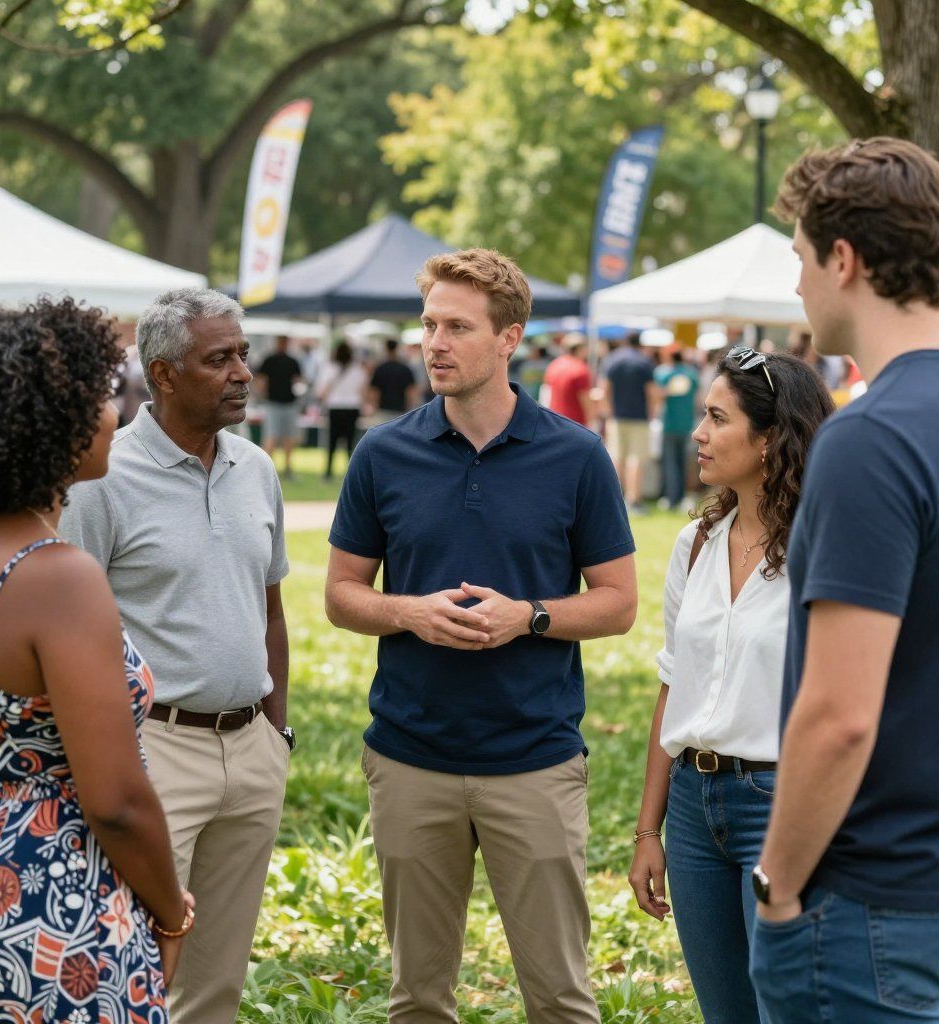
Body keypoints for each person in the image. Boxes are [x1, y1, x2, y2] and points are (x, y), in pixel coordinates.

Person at [325, 248, 638, 1024]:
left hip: (533, 759)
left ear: (509, 339)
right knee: (417, 1001)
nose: (434, 342)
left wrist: (526, 616)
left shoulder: (576, 455)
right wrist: (409, 612)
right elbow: (339, 594)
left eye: (457, 327)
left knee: (561, 999)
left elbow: (618, 603)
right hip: (409, 757)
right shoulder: (382, 452)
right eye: (428, 324)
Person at [0, 299, 190, 1024]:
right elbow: (116, 802)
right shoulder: (58, 575)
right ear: (50, 418)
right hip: (52, 906)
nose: (116, 411)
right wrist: (171, 911)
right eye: (102, 395)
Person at [60, 287, 292, 1024]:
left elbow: (271, 607)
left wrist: (275, 735)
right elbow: (70, 631)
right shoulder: (102, 480)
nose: (241, 373)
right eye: (217, 359)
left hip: (250, 750)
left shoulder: (256, 468)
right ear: (162, 374)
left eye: (242, 355)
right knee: (134, 965)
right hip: (152, 751)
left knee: (217, 980)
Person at [747, 138, 939, 1023]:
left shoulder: (871, 440)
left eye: (798, 259)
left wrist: (777, 887)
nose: (796, 287)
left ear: (844, 260)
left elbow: (838, 716)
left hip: (873, 912)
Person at [628, 348, 833, 1024]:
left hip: (780, 801)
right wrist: (647, 830)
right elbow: (672, 685)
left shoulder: (822, 548)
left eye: (717, 418)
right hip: (691, 806)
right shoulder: (695, 542)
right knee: (725, 1014)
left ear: (771, 437)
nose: (698, 432)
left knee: (788, 1009)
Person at [602, 332, 657, 511]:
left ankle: (615, 498)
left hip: (617, 417)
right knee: (636, 459)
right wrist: (652, 413)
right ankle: (633, 499)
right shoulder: (644, 362)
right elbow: (651, 392)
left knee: (617, 458)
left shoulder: (612, 360)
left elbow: (604, 389)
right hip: (639, 417)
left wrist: (608, 413)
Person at [654, 349, 700, 509]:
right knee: (684, 462)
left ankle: (671, 498)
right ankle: (682, 497)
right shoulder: (692, 374)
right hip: (687, 423)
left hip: (670, 423)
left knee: (670, 463)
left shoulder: (664, 374)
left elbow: (657, 393)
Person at [316, 340, 368, 479]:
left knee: (332, 441)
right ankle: (351, 471)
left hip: (335, 407)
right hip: (352, 407)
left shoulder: (330, 368)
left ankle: (328, 472)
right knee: (351, 442)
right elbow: (363, 390)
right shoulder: (357, 369)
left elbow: (322, 391)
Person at [256, 334, 304, 477]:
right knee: (271, 436)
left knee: (289, 437)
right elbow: (261, 379)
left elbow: (298, 380)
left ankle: (288, 468)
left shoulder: (292, 361)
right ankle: (265, 468)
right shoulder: (269, 360)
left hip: (289, 403)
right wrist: (263, 394)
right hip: (273, 403)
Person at [542, 333, 595, 426]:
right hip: (575, 424)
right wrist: (591, 423)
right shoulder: (581, 369)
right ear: (581, 349)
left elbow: (546, 393)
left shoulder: (553, 365)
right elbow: (585, 401)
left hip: (555, 420)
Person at [368, 338, 417, 423]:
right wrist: (410, 406)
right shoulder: (404, 368)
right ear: (397, 348)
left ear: (386, 349)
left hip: (383, 409)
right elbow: (410, 390)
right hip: (400, 409)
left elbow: (374, 390)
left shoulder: (380, 368)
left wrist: (374, 406)